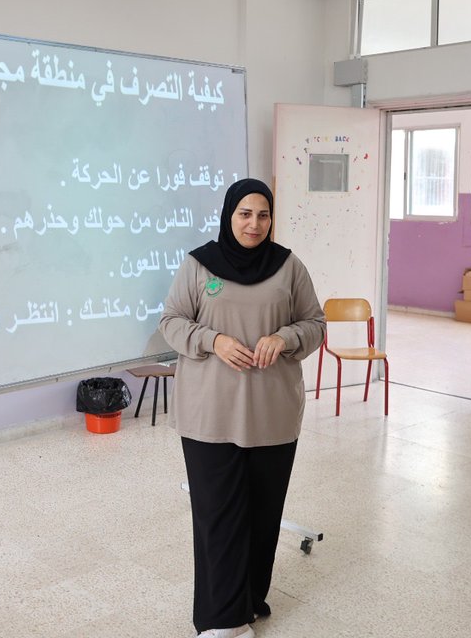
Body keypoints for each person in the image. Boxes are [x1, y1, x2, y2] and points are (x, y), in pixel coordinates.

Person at [158, 177, 325, 638]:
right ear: (229, 215)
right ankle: (220, 621)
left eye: (263, 214)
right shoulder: (199, 265)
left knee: (263, 514)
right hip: (209, 413)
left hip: (271, 414)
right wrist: (214, 340)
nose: (254, 224)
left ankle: (249, 600)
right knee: (218, 516)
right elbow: (171, 321)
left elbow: (315, 324)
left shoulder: (289, 267)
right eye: (245, 214)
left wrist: (284, 337)